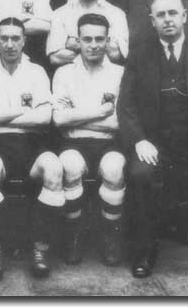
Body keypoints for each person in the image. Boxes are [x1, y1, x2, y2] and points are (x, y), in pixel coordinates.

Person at [117, 0, 188, 279]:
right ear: (152, 21)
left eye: (172, 13)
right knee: (140, 174)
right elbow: (125, 105)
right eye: (161, 15)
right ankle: (144, 250)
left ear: (184, 16)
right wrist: (139, 139)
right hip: (156, 143)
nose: (167, 20)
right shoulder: (140, 56)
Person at [0, 18, 63, 279]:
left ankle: (41, 248)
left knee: (54, 168)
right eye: (5, 38)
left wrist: (1, 113)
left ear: (25, 40)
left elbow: (44, 118)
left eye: (16, 38)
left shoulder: (36, 72)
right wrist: (24, 110)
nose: (10, 44)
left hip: (32, 144)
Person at [52, 13, 125, 267]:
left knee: (114, 169)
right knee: (70, 166)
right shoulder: (63, 73)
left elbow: (118, 123)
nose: (93, 44)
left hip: (109, 142)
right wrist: (101, 112)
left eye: (99, 39)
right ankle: (74, 235)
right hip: (74, 143)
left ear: (107, 41)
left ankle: (110, 236)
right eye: (87, 39)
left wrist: (77, 116)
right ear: (78, 41)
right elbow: (59, 120)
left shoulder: (119, 73)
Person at [46, 0, 128, 68]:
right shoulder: (59, 14)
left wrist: (74, 43)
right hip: (71, 78)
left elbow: (116, 54)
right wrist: (100, 45)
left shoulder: (116, 14)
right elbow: (55, 57)